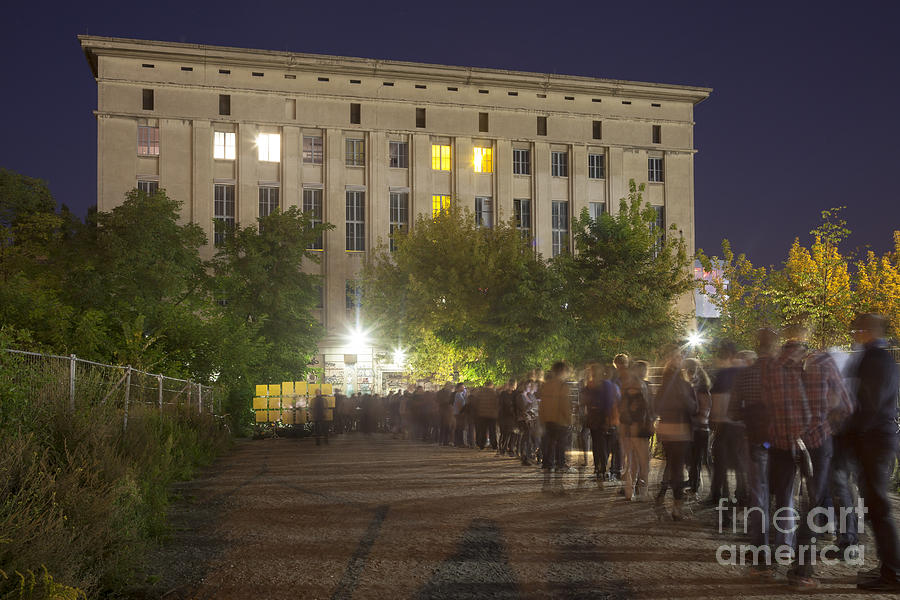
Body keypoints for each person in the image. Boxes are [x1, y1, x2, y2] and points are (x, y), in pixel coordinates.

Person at [846, 314, 900, 591]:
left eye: (857, 329)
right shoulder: (877, 357)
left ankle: (893, 573)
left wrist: (849, 433)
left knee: (879, 507)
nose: (854, 333)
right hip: (877, 439)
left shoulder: (875, 359)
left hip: (875, 441)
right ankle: (889, 567)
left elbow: (869, 404)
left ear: (867, 330)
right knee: (876, 506)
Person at [654, 352, 697, 520]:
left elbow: (656, 407)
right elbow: (693, 409)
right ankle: (677, 506)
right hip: (680, 430)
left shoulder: (663, 386)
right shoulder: (685, 387)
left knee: (670, 464)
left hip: (666, 429)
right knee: (677, 468)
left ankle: (662, 494)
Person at [618, 363, 654, 500]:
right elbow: (647, 408)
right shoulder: (643, 386)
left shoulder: (625, 386)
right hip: (639, 427)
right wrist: (649, 423)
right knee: (644, 461)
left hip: (626, 427)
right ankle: (643, 492)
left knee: (631, 462)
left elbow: (621, 408)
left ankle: (629, 491)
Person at [582, 364, 619, 480]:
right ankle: (599, 469)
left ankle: (602, 470)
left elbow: (608, 403)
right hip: (594, 417)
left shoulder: (605, 384)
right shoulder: (591, 384)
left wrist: (607, 419)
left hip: (602, 417)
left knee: (602, 445)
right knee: (597, 445)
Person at [539, 361, 572, 492]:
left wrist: (542, 420)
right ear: (563, 371)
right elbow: (565, 406)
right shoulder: (563, 387)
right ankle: (559, 484)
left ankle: (546, 484)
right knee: (560, 453)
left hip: (548, 422)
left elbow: (542, 405)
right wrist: (570, 421)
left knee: (548, 452)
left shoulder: (546, 386)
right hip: (561, 422)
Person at [684, 358, 711, 498]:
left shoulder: (700, 389)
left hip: (699, 429)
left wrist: (693, 415)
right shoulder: (697, 387)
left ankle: (695, 488)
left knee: (696, 460)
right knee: (693, 460)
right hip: (698, 428)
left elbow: (704, 409)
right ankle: (693, 484)